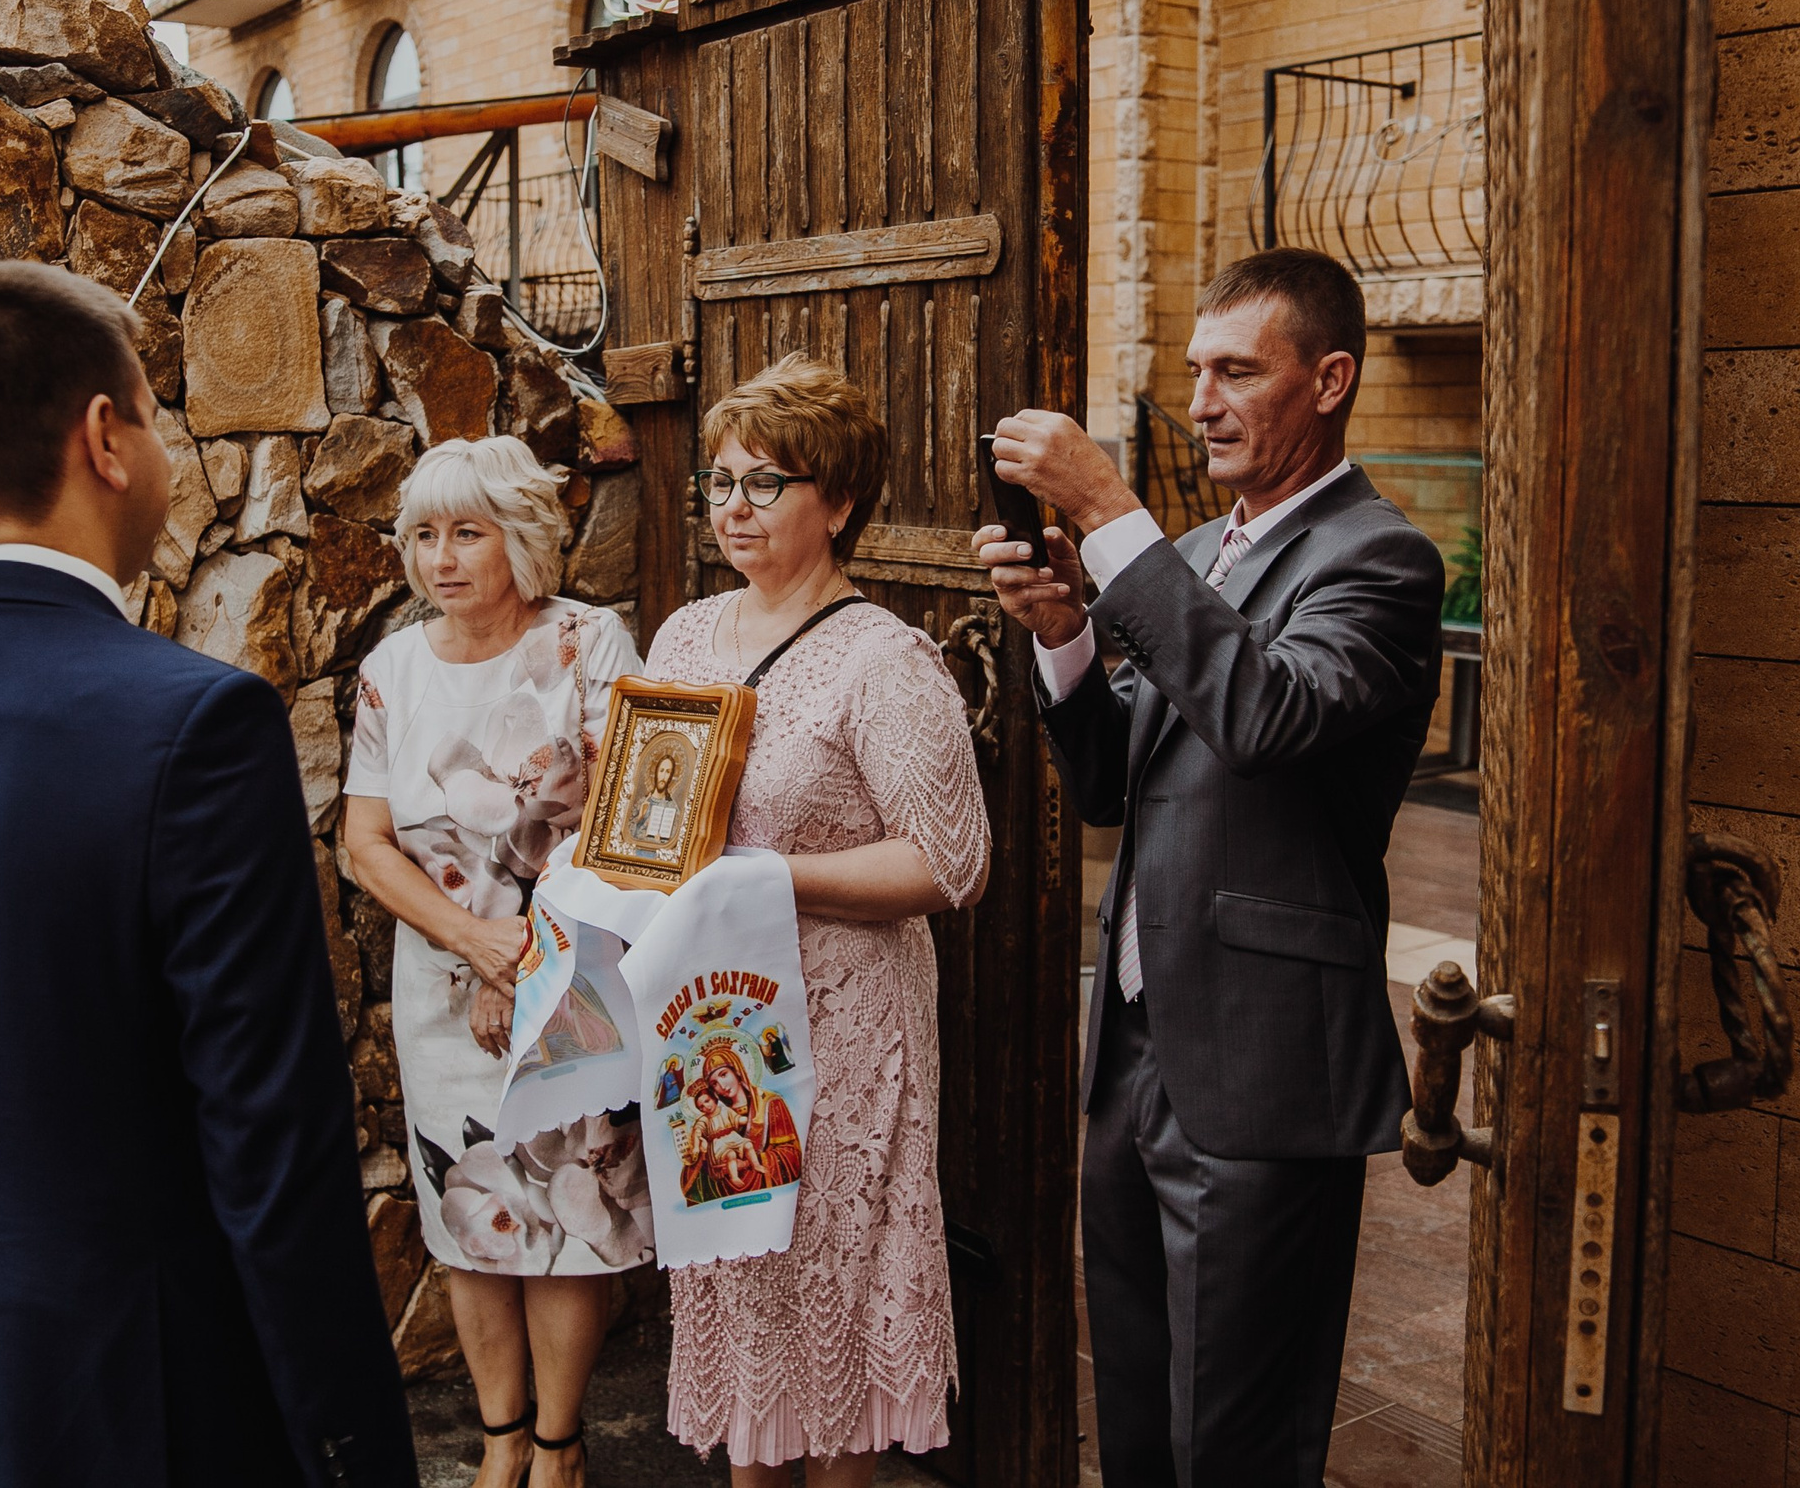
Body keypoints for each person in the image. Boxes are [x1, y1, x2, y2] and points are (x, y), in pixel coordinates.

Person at [0, 263, 414, 1487]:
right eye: (154, 415)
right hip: (149, 1412)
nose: (169, 457)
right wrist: (348, 1438)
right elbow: (271, 1138)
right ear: (102, 437)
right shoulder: (199, 725)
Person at [977, 247, 1443, 1486]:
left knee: (1233, 1438)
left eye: (1238, 370)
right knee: (1133, 1410)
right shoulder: (1191, 552)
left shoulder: (1380, 563)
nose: (1200, 399)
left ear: (1330, 380)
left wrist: (1107, 514)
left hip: (1263, 1065)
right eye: (1194, 370)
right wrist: (1071, 638)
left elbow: (1267, 714)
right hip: (1134, 1051)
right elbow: (1115, 786)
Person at [647, 354, 990, 1487]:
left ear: (837, 503)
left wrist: (766, 875)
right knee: (748, 1301)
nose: (731, 508)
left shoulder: (884, 659)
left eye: (765, 484)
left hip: (845, 1031)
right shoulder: (685, 637)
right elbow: (656, 818)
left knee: (833, 1310)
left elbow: (951, 862)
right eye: (719, 481)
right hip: (716, 1029)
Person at [343, 434, 647, 1488]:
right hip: (441, 976)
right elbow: (363, 842)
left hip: (574, 971)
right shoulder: (390, 668)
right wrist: (474, 947)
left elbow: (625, 817)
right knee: (466, 1213)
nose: (441, 558)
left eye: (466, 531)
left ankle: (558, 1447)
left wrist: (526, 958)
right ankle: (498, 1438)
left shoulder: (588, 642)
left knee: (570, 1209)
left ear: (519, 535)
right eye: (422, 535)